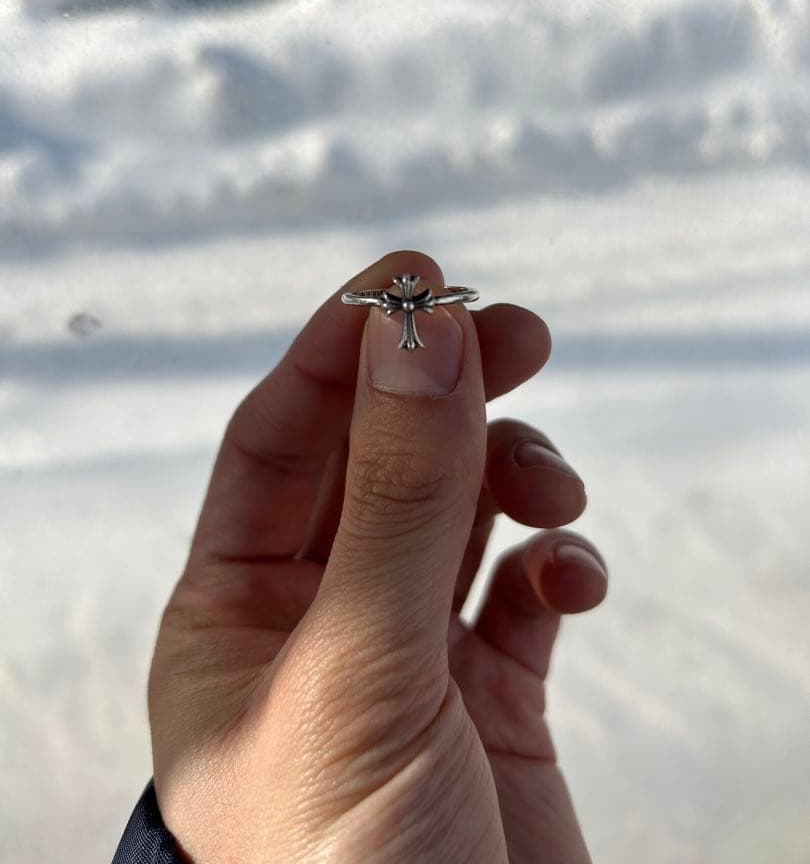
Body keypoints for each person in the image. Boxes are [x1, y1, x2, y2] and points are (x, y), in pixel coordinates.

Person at [113, 250, 608, 863]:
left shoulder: (408, 310)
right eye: (403, 301)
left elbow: (402, 301)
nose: (408, 308)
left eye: (410, 300)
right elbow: (377, 301)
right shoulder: (412, 311)